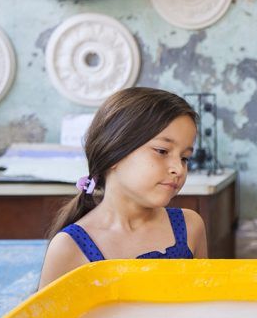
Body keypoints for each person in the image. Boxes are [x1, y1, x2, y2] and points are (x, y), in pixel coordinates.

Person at [39, 87, 208, 289]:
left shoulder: (190, 227)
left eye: (184, 158)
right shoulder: (69, 247)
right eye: (162, 151)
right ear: (115, 153)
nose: (178, 168)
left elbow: (202, 308)